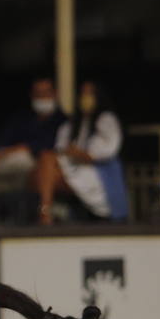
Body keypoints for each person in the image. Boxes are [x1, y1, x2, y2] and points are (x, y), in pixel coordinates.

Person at [0, 76, 68, 225]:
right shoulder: (22, 118)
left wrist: (8, 152)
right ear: (31, 96)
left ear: (55, 94)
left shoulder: (63, 122)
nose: (42, 97)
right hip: (11, 175)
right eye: (38, 94)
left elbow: (42, 150)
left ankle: (46, 215)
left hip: (40, 173)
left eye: (46, 93)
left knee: (22, 156)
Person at [35, 81, 129, 224]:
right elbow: (61, 150)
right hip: (74, 169)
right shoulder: (71, 124)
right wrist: (72, 153)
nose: (86, 97)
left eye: (90, 93)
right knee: (43, 166)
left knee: (47, 169)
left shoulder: (106, 119)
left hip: (98, 174)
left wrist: (77, 153)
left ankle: (46, 212)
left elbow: (102, 153)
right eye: (83, 93)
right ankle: (47, 210)